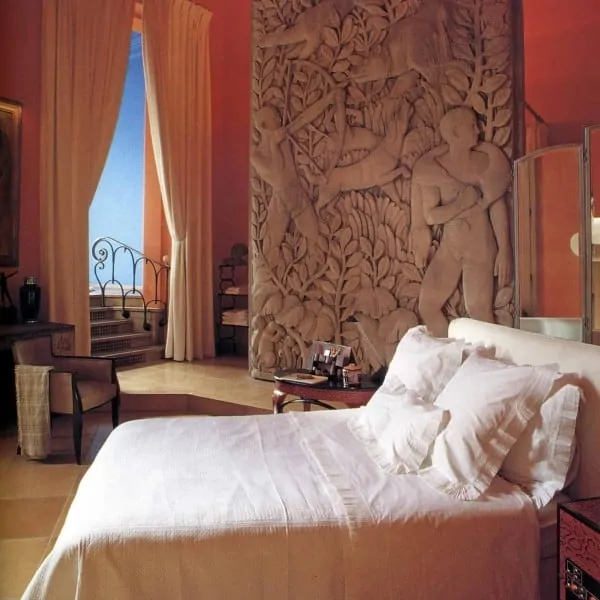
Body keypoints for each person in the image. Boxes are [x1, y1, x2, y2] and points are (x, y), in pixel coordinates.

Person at [410, 106, 512, 337]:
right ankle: (447, 352)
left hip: (480, 246)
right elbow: (431, 216)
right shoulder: (435, 168)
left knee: (479, 311)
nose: (478, 130)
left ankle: (487, 358)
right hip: (450, 247)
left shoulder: (483, 162)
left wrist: (505, 248)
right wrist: (462, 204)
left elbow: (497, 207)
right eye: (472, 125)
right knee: (428, 305)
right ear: (455, 132)